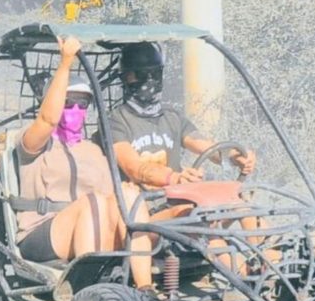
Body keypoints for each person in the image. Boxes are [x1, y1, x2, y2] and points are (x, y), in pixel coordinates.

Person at [11, 37, 154, 290]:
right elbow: (47, 119)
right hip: (43, 231)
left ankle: (147, 289)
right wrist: (66, 62)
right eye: (68, 103)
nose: (75, 109)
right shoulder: (34, 143)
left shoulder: (94, 148)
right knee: (93, 201)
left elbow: (116, 199)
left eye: (82, 104)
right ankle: (87, 291)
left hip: (95, 229)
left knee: (130, 196)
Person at [109, 41, 256, 192]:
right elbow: (133, 168)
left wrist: (234, 157)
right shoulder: (115, 121)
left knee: (239, 208)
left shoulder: (172, 118)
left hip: (176, 201)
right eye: (141, 74)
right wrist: (174, 178)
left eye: (156, 74)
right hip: (140, 207)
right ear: (125, 78)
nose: (150, 80)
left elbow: (208, 149)